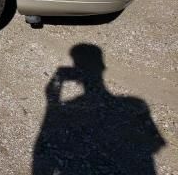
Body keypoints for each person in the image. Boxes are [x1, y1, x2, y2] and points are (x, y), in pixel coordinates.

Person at [33, 44, 165, 175]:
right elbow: (155, 145)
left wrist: (52, 99)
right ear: (102, 67)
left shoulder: (68, 109)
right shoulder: (135, 105)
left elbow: (43, 152)